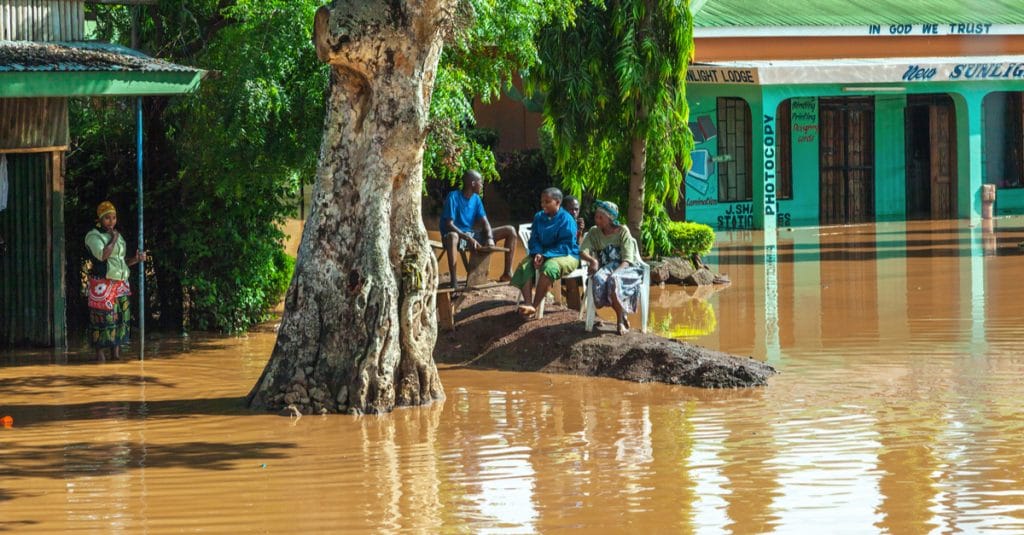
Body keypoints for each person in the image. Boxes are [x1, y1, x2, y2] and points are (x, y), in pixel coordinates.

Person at [85, 201, 147, 360]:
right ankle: (100, 358)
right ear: (99, 219)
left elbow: (121, 262)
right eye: (107, 218)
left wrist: (137, 259)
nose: (111, 221)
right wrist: (113, 239)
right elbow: (102, 255)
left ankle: (116, 357)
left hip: (120, 285)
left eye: (113, 218)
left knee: (120, 321)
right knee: (103, 321)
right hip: (103, 285)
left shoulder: (117, 236)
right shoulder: (94, 235)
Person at [440, 170, 517, 289]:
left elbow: (485, 222)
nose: (482, 185)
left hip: (470, 235)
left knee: (510, 230)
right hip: (455, 236)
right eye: (480, 182)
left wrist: (490, 238)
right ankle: (453, 281)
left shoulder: (476, 199)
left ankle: (507, 273)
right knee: (452, 236)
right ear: (472, 183)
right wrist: (468, 238)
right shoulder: (453, 197)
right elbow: (449, 224)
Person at [511, 187, 580, 318]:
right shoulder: (539, 217)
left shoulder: (567, 220)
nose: (543, 205)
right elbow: (534, 239)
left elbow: (566, 245)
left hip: (566, 254)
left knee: (550, 267)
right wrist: (537, 252)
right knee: (525, 265)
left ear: (558, 203)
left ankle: (534, 306)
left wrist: (545, 255)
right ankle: (527, 302)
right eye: (542, 202)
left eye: (547, 202)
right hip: (542, 253)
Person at [579, 200, 643, 335]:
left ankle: (619, 321)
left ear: (610, 218)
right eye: (596, 216)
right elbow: (582, 251)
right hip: (606, 267)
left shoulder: (622, 231)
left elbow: (627, 259)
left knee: (614, 280)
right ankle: (622, 313)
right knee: (598, 279)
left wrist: (616, 273)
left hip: (627, 268)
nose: (597, 219)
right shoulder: (594, 232)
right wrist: (592, 261)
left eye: (600, 217)